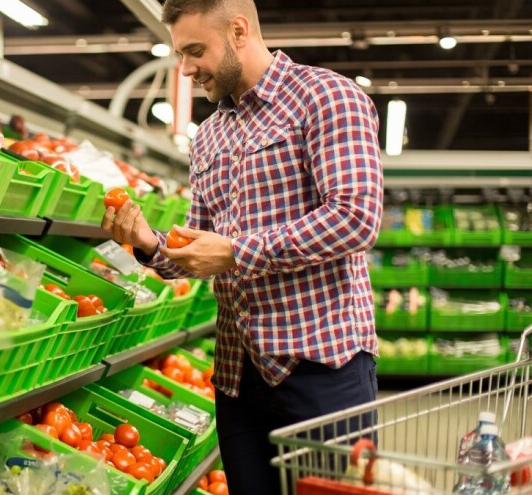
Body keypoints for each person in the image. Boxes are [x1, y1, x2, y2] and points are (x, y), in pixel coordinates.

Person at [101, 0, 384, 493]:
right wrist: (149, 244)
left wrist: (236, 252)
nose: (185, 69)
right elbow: (196, 248)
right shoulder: (208, 136)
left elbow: (355, 218)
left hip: (322, 368)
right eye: (180, 54)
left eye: (195, 51)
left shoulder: (327, 97)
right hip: (237, 377)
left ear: (238, 30)